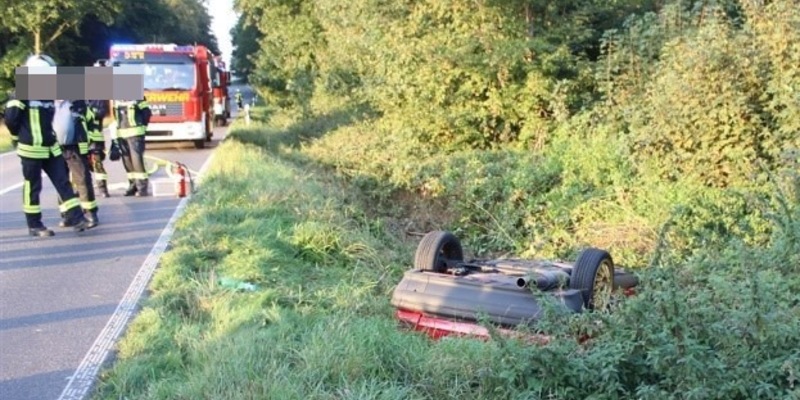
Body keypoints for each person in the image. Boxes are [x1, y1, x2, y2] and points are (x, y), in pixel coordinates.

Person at [3, 54, 89, 236]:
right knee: (33, 186)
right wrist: (22, 135)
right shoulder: (21, 93)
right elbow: (11, 119)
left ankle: (78, 218)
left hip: (51, 146)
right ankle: (34, 225)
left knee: (63, 182)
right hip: (31, 149)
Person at [53, 99, 99, 228]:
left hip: (76, 147)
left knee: (83, 180)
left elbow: (92, 122)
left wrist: (94, 145)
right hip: (56, 148)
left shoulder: (78, 103)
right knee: (61, 182)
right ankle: (67, 214)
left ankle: (89, 212)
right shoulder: (47, 103)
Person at [109, 97, 151, 196]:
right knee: (127, 162)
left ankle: (142, 188)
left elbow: (147, 113)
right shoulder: (117, 99)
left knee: (137, 161)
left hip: (135, 134)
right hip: (121, 135)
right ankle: (133, 185)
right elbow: (116, 117)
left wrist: (142, 127)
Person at [86, 99, 110, 197]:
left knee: (98, 165)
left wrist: (86, 110)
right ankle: (82, 190)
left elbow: (101, 113)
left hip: (95, 140)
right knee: (80, 167)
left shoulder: (99, 100)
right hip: (80, 140)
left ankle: (103, 189)